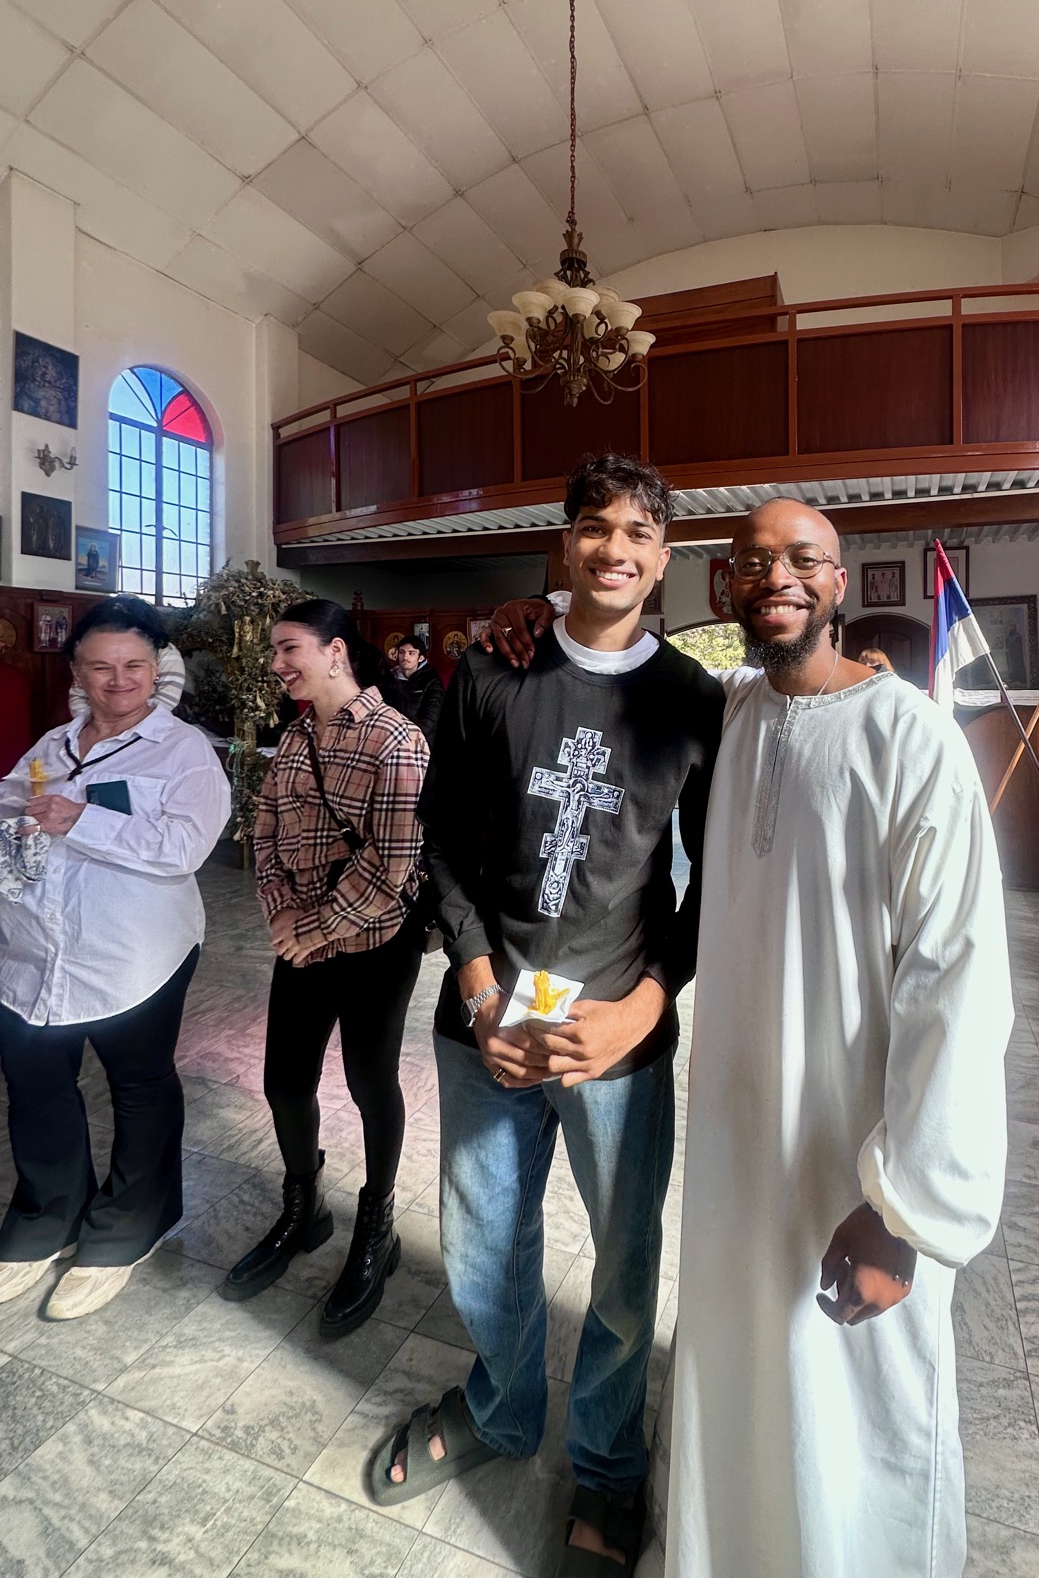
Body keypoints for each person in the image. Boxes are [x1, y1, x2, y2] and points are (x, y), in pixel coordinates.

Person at [478, 497, 1012, 1578]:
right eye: (754, 562)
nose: (777, 577)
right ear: (722, 588)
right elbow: (610, 662)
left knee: (852, 1394)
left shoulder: (912, 738)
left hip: (855, 1145)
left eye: (802, 559)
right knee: (740, 1354)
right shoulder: (731, 712)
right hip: (737, 1128)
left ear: (841, 579)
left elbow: (959, 987)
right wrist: (526, 618)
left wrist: (908, 1212)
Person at [375, 455, 724, 1578]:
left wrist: (644, 1010)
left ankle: (612, 1464)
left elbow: (713, 885)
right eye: (592, 527)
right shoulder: (493, 672)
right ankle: (502, 1407)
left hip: (615, 1027)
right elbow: (440, 844)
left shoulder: (695, 700)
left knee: (623, 1266)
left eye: (637, 532)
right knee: (484, 1239)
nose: (613, 548)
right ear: (562, 543)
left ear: (665, 557)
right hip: (488, 1013)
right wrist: (476, 986)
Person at [0, 597, 231, 1318]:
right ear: (77, 671)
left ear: (155, 669)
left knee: (138, 1084)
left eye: (133, 665)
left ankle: (132, 1224)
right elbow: (10, 815)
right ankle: (47, 1216)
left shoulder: (182, 750)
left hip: (135, 958)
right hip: (34, 953)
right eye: (101, 666)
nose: (118, 680)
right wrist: (20, 836)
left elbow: (183, 849)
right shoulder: (51, 747)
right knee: (35, 1084)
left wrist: (81, 819)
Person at [223, 600, 430, 1337]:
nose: (278, 666)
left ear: (335, 652)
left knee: (371, 1083)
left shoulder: (397, 739)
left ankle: (377, 1227)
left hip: (377, 942)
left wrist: (311, 930)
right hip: (301, 940)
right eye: (277, 653)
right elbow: (267, 829)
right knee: (285, 1082)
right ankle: (304, 1209)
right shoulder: (294, 737)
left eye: (289, 651)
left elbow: (392, 862)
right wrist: (282, 914)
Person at [385, 634, 444, 741]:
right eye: (402, 652)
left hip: (420, 741)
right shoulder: (390, 678)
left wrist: (408, 739)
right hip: (391, 738)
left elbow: (430, 720)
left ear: (420, 658)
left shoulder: (432, 681)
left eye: (411, 653)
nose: (405, 657)